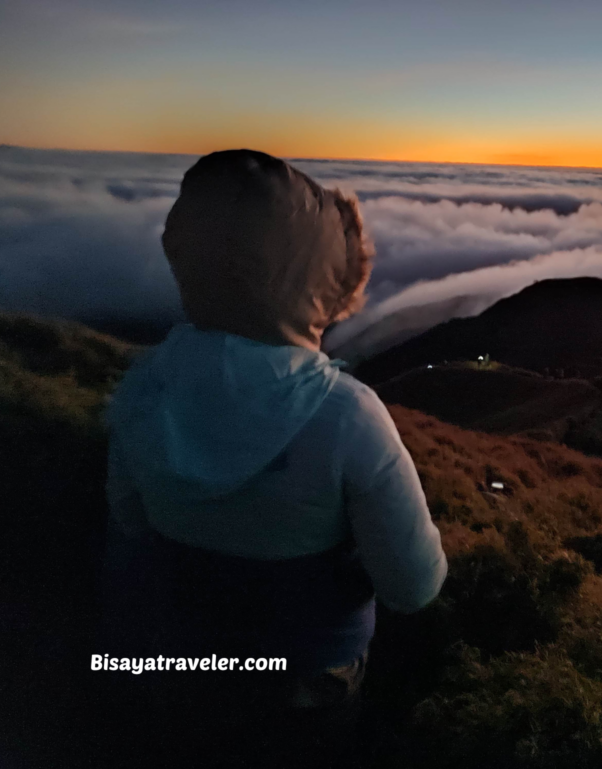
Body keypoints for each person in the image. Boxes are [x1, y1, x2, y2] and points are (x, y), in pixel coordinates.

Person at [99, 150, 447, 766]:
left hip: (172, 660)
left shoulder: (144, 384)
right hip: (307, 683)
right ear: (325, 278)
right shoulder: (347, 416)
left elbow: (130, 517)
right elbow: (414, 586)